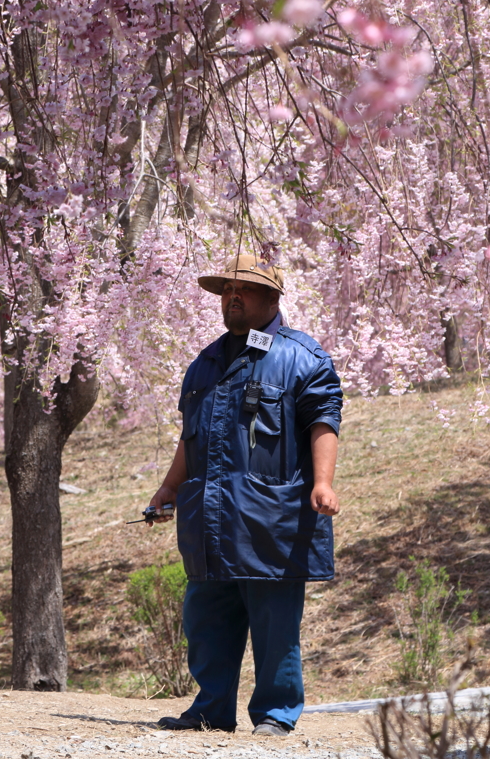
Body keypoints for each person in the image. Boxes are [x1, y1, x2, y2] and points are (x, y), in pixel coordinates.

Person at [148, 253, 342, 737]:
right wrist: (170, 487)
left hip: (270, 518)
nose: (232, 298)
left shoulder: (302, 357)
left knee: (275, 623)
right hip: (209, 518)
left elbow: (324, 421)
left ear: (273, 298)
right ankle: (211, 710)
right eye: (226, 290)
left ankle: (276, 713)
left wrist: (323, 482)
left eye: (245, 290)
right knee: (205, 619)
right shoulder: (205, 363)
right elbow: (191, 436)